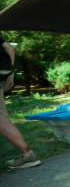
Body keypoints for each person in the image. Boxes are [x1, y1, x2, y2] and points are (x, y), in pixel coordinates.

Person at [1, 34, 42, 169]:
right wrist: (10, 72)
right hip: (4, 72)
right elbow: (9, 49)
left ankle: (27, 154)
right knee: (2, 117)